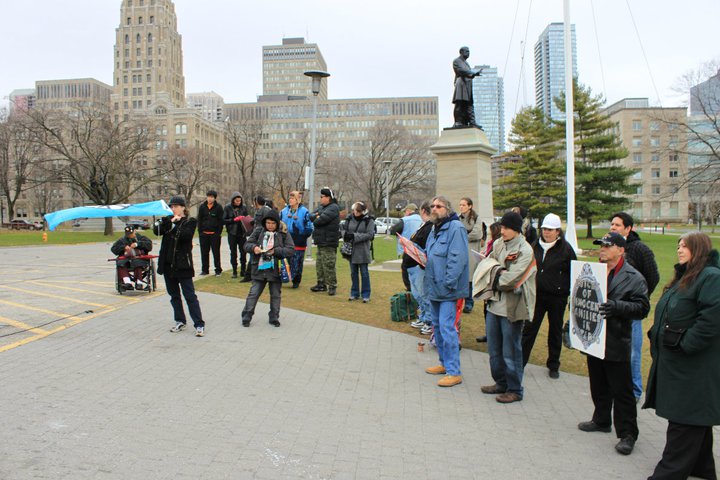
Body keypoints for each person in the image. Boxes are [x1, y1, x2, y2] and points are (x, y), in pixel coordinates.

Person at [644, 232, 720, 479]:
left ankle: (668, 473)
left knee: (684, 418)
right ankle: (702, 467)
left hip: (694, 366)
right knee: (694, 417)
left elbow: (712, 319)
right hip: (680, 364)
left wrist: (685, 343)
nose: (679, 249)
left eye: (685, 245)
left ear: (698, 249)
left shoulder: (710, 277)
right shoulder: (687, 275)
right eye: (678, 244)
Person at [577, 232, 649, 456]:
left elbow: (642, 308)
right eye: (601, 245)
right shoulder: (594, 272)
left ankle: (628, 434)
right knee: (598, 383)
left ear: (620, 249)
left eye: (608, 246)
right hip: (595, 338)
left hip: (617, 340)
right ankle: (601, 419)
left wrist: (618, 306)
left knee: (622, 390)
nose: (603, 249)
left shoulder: (634, 277)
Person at [481, 211, 536, 404]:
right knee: (494, 350)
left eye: (505, 228)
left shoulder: (525, 250)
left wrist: (493, 275)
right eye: (501, 227)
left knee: (511, 351)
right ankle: (501, 383)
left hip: (513, 308)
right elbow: (488, 265)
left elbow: (511, 280)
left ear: (516, 229)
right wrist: (494, 271)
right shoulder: (498, 244)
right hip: (494, 305)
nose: (501, 231)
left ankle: (515, 389)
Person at [609, 212, 659, 402]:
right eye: (612, 224)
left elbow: (653, 277)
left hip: (632, 313)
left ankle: (635, 391)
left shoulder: (640, 249)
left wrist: (639, 301)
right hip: (614, 310)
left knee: (632, 354)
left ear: (628, 229)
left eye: (618, 225)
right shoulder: (609, 247)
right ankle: (616, 390)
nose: (613, 227)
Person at [521, 213, 577, 379]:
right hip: (537, 295)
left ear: (558, 231)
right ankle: (520, 362)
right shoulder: (534, 246)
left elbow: (573, 274)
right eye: (545, 229)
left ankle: (553, 364)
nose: (547, 232)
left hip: (557, 297)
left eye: (551, 230)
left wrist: (566, 292)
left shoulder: (566, 250)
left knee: (555, 331)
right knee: (529, 329)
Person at [423, 196, 469, 388]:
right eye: (432, 206)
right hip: (434, 288)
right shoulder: (435, 228)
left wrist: (449, 283)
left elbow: (457, 258)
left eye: (439, 206)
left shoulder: (455, 228)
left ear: (447, 209)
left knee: (447, 327)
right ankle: (443, 363)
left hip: (448, 290)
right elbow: (431, 255)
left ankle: (454, 371)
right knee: (437, 326)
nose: (434, 209)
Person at [154, 195, 205, 337]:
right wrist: (170, 222)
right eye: (171, 206)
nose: (173, 208)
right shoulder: (167, 220)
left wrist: (176, 224)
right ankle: (180, 320)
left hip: (182, 264)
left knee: (189, 295)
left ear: (183, 207)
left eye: (176, 206)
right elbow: (156, 230)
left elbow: (186, 236)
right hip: (168, 264)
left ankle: (199, 323)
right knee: (174, 295)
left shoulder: (190, 221)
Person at [241, 209, 295, 327]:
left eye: (273, 223)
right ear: (265, 222)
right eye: (268, 223)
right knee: (254, 293)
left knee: (275, 295)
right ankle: (247, 315)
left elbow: (291, 249)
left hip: (275, 270)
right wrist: (254, 248)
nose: (270, 226)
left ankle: (274, 317)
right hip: (259, 268)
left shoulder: (283, 232)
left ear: (277, 223)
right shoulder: (259, 230)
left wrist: (276, 251)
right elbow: (247, 245)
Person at [407, 202, 435, 335]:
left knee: (424, 294)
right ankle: (423, 317)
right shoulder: (424, 225)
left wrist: (414, 248)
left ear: (424, 211)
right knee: (418, 293)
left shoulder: (430, 227)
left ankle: (429, 321)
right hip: (414, 264)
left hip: (421, 265)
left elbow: (425, 246)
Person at [309, 187, 341, 296]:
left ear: (328, 197)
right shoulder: (322, 207)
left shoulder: (333, 208)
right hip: (320, 241)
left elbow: (319, 221)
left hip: (329, 241)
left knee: (329, 264)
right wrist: (317, 216)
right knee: (320, 265)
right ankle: (321, 284)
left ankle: (332, 285)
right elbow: (311, 216)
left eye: (322, 197)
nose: (320, 199)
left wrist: (317, 217)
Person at [280, 191, 313, 289]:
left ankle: (296, 280)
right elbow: (279, 224)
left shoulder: (304, 211)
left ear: (298, 200)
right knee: (287, 261)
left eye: (293, 198)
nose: (290, 200)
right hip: (286, 241)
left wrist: (302, 235)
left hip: (299, 241)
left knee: (297, 262)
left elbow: (309, 227)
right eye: (289, 198)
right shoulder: (284, 212)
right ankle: (284, 277)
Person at [344, 202, 376, 302]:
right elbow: (344, 229)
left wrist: (354, 236)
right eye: (355, 210)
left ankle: (366, 294)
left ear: (362, 211)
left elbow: (370, 235)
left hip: (363, 250)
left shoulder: (369, 220)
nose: (356, 213)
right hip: (351, 250)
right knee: (353, 273)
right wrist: (345, 235)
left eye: (358, 211)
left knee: (364, 273)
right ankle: (354, 293)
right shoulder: (349, 218)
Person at [458, 197, 485, 314]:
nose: (461, 207)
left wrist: (463, 235)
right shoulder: (458, 218)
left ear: (470, 206)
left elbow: (477, 233)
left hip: (471, 251)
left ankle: (469, 303)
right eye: (460, 205)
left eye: (463, 205)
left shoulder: (477, 218)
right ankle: (459, 301)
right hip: (460, 251)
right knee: (460, 277)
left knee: (469, 279)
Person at [476, 222, 502, 343]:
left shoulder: (498, 244)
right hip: (488, 278)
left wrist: (485, 259)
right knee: (486, 309)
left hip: (493, 279)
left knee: (492, 309)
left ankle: (494, 335)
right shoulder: (492, 243)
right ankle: (489, 333)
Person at [389, 203, 423, 290]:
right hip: (421, 249)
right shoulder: (422, 219)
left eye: (405, 211)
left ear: (408, 211)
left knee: (405, 268)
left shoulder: (405, 220)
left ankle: (409, 288)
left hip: (408, 249)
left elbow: (393, 230)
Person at [111, 225, 153, 290]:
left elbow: (149, 246)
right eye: (127, 234)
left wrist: (137, 244)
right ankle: (127, 283)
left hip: (139, 258)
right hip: (126, 259)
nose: (129, 235)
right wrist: (123, 247)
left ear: (134, 232)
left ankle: (139, 283)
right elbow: (113, 249)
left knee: (138, 262)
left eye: (131, 233)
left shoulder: (141, 238)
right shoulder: (122, 240)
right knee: (120, 263)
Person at [452, 46, 483, 128]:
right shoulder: (456, 61)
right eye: (467, 51)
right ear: (461, 52)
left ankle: (472, 122)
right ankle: (458, 121)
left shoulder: (467, 63)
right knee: (460, 103)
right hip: (461, 84)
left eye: (469, 51)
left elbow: (469, 74)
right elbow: (461, 71)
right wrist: (473, 73)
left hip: (468, 85)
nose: (468, 53)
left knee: (469, 104)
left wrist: (473, 74)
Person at [197, 189, 224, 276]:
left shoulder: (218, 207)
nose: (209, 199)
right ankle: (205, 270)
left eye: (211, 197)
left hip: (214, 234)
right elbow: (199, 219)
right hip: (204, 234)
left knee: (216, 253)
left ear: (214, 198)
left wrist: (218, 232)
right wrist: (200, 232)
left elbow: (221, 221)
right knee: (204, 253)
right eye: (208, 196)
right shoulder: (202, 207)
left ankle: (218, 270)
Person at [223, 192, 249, 279]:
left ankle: (243, 270)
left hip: (242, 233)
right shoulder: (227, 208)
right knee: (233, 252)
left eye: (239, 200)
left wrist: (244, 219)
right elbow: (223, 220)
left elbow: (247, 218)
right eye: (236, 201)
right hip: (232, 233)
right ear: (233, 200)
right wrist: (233, 220)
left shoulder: (244, 207)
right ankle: (234, 271)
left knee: (243, 252)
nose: (238, 202)